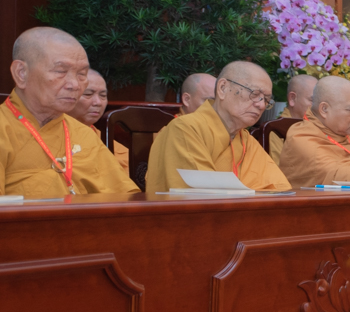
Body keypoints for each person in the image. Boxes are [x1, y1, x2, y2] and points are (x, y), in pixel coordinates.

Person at [2, 27, 138, 197]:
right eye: (60, 71)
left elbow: (125, 199)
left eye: (82, 74)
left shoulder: (84, 134)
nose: (75, 84)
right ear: (21, 73)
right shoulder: (3, 127)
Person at [144, 61, 290, 194]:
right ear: (222, 88)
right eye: (255, 94)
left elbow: (280, 191)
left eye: (266, 100)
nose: (261, 105)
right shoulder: (185, 129)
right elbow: (202, 197)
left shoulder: (247, 141)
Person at [68, 69, 130, 171]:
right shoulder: (52, 135)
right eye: (88, 94)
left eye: (103, 96)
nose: (98, 102)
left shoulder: (103, 139)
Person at [269, 74, 317, 165]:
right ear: (292, 98)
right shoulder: (276, 131)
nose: (318, 107)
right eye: (312, 100)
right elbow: (279, 169)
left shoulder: (320, 127)